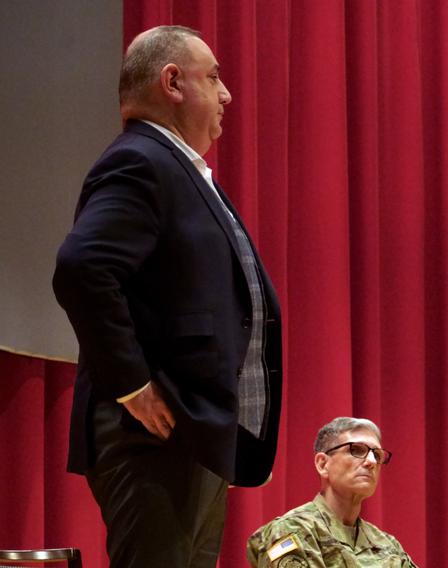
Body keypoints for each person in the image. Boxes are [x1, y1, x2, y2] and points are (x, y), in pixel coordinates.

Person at [52, 25, 282, 567]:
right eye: (215, 77)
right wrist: (131, 384)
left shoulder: (182, 170)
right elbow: (81, 268)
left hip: (188, 436)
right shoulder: (140, 161)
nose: (227, 95)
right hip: (151, 437)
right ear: (172, 82)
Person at [247, 417, 417, 567]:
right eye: (357, 450)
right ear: (322, 464)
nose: (371, 461)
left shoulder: (388, 545)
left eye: (377, 455)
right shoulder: (291, 530)